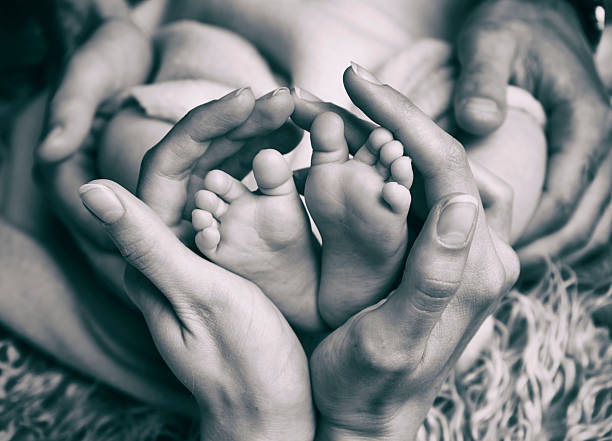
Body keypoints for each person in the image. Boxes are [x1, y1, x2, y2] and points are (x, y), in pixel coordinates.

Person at [78, 68, 518, 441]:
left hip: (218, 72)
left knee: (136, 138)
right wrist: (361, 427)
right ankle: (364, 294)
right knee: (504, 153)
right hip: (416, 93)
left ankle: (308, 296)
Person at [39, 0, 612, 271]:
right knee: (149, 137)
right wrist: (107, 23)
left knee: (502, 123)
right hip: (213, 43)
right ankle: (267, 258)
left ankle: (420, 249)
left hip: (445, 41)